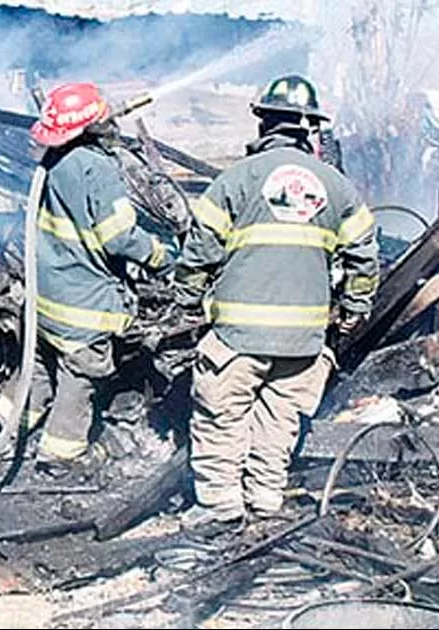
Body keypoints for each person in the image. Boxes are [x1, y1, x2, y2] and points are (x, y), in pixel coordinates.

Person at [174, 75, 380, 539]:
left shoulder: (234, 180)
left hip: (237, 338)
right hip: (304, 342)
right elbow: (365, 256)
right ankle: (265, 501)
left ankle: (220, 508)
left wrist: (187, 301)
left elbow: (199, 253)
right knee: (279, 422)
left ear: (263, 119)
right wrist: (352, 309)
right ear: (311, 128)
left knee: (221, 419)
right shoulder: (338, 187)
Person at [26, 82, 175, 477]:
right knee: (81, 371)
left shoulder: (54, 160)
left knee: (41, 362)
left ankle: (10, 422)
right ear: (94, 127)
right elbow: (120, 237)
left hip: (46, 291)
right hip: (81, 297)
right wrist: (162, 256)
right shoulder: (97, 167)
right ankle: (61, 454)